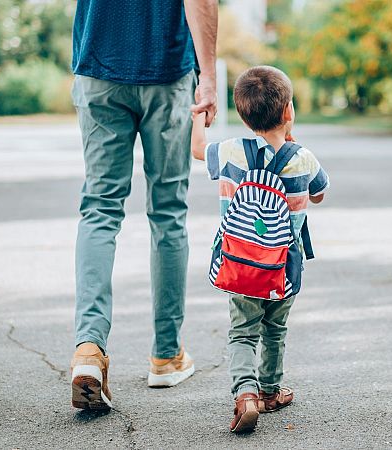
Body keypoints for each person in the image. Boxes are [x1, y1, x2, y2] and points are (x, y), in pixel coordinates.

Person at [69, 0, 218, 410]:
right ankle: (167, 356)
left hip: (98, 63)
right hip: (166, 72)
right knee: (168, 212)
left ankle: (88, 349)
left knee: (99, 208)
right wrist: (208, 77)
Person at [190, 66, 329, 432]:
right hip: (283, 267)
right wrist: (291, 145)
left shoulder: (231, 152)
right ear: (288, 112)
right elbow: (318, 194)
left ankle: (245, 395)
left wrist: (199, 116)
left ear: (243, 115)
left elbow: (197, 150)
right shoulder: (304, 158)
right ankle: (269, 391)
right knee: (274, 329)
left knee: (242, 332)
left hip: (239, 267)